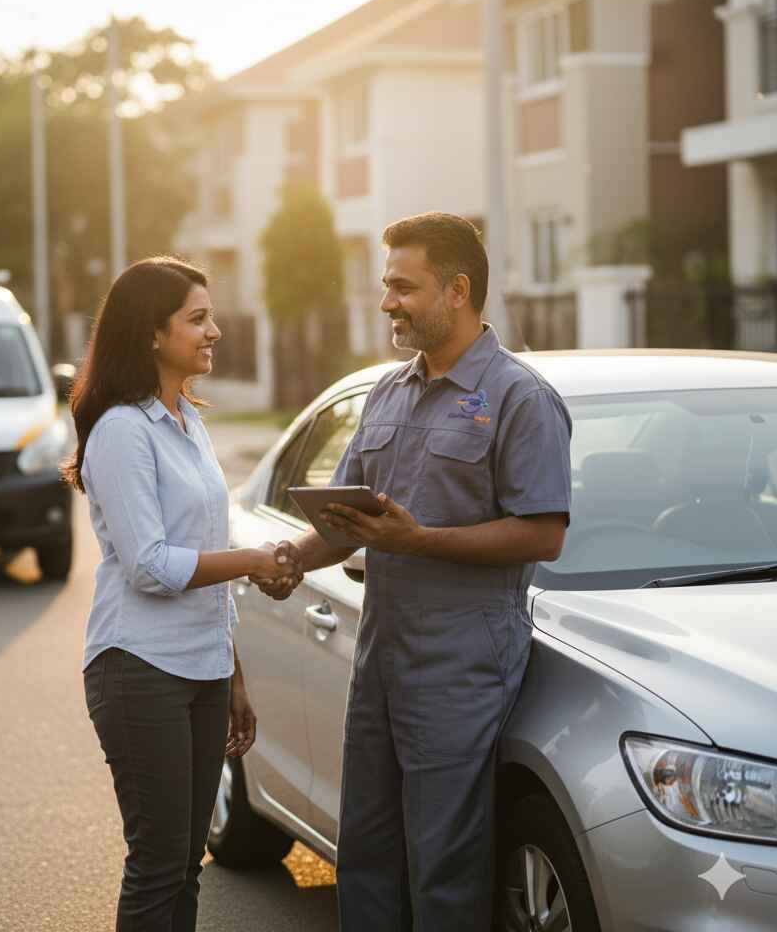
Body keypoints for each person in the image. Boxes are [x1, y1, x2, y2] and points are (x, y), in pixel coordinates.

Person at [255, 213, 572, 930]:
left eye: (403, 286)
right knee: (364, 848)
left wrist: (422, 540)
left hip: (462, 658)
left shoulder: (521, 398)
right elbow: (347, 520)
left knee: (445, 863)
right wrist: (293, 558)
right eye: (386, 285)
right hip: (380, 652)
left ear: (457, 291)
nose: (387, 302)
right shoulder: (388, 392)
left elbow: (543, 533)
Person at [62, 256, 297, 932]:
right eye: (197, 319)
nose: (215, 331)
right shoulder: (122, 431)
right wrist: (253, 559)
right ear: (151, 335)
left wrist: (235, 673)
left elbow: (200, 548)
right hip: (140, 669)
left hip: (202, 668)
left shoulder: (188, 422)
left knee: (186, 865)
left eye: (210, 316)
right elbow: (151, 567)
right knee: (158, 866)